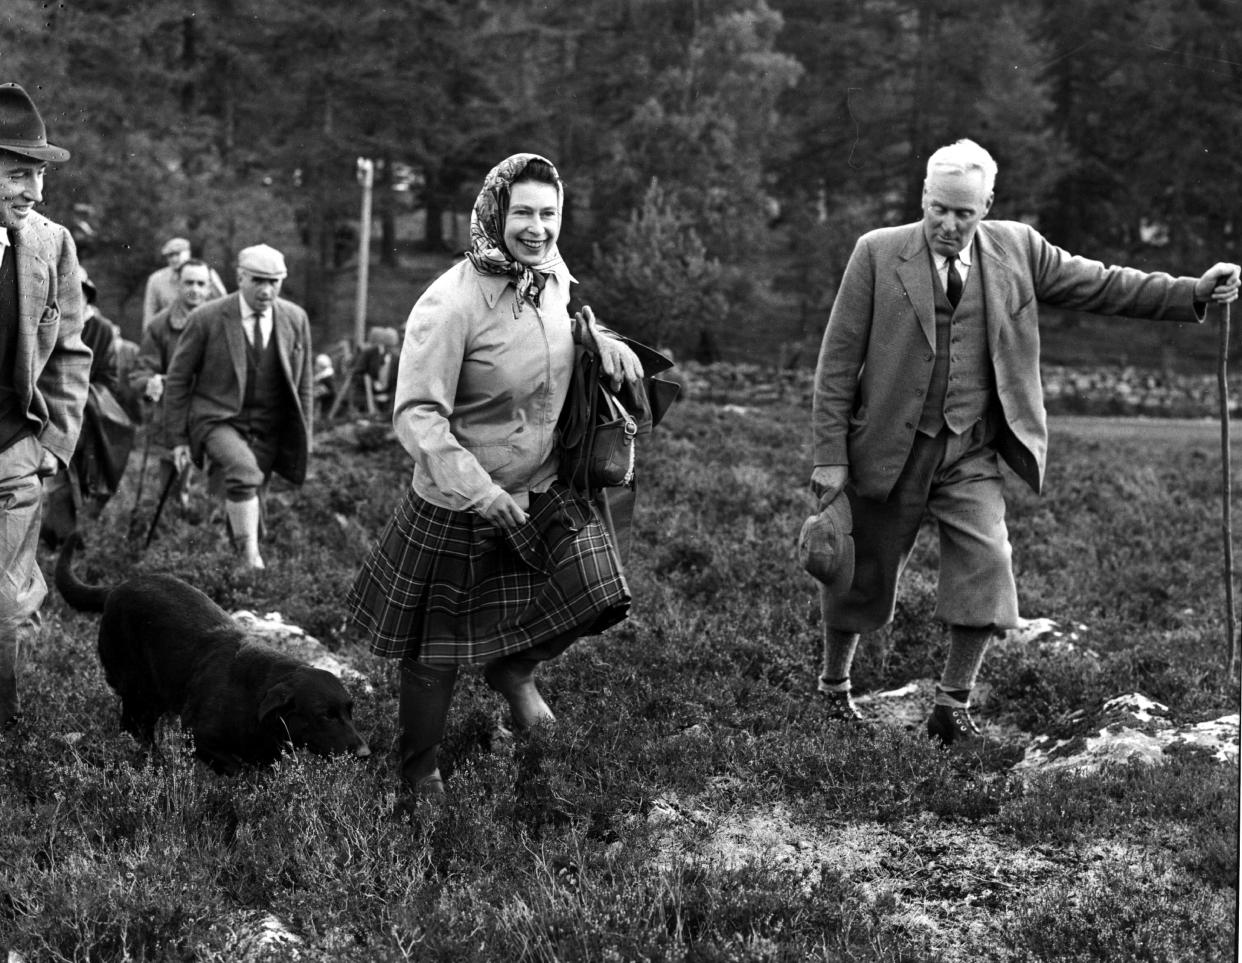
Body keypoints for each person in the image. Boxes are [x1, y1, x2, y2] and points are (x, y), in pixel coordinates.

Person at [810, 138, 1241, 745]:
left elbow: (1103, 284)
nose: (949, 224)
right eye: (938, 209)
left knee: (989, 565)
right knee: (860, 572)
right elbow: (835, 365)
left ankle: (951, 706)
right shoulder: (877, 254)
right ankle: (833, 690)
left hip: (971, 451)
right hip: (887, 448)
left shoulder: (1019, 249)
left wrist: (1191, 290)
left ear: (988, 205)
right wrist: (830, 458)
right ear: (923, 198)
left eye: (964, 212)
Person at [347, 153, 643, 806]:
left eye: (549, 214)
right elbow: (417, 415)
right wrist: (482, 491)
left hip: (543, 487)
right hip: (460, 501)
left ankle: (512, 670)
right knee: (435, 655)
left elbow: (563, 332)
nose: (537, 229)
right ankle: (419, 770)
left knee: (599, 593)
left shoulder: (556, 277)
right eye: (523, 214)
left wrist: (605, 339)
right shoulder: (450, 302)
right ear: (494, 214)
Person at [0, 82, 91, 729]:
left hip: (14, 448)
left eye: (36, 175)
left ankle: (5, 731)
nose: (32, 190)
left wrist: (52, 445)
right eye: (15, 174)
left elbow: (71, 353)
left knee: (6, 598)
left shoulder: (51, 244)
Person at [164, 243, 313, 570]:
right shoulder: (207, 317)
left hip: (269, 427)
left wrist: (305, 437)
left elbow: (304, 385)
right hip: (218, 420)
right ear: (240, 277)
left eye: (275, 281)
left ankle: (239, 582)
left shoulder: (295, 319)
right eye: (259, 280)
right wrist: (177, 439)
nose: (267, 289)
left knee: (251, 494)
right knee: (245, 474)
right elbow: (177, 380)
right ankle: (251, 563)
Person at [42, 271, 135, 542]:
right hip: (49, 409)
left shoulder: (101, 329)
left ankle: (73, 537)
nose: (70, 299)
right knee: (54, 478)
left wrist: (80, 396)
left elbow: (110, 379)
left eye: (77, 293)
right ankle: (59, 535)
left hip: (89, 410)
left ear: (87, 297)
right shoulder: (47, 323)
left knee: (88, 472)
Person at [130, 258, 218, 506]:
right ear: (178, 285)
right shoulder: (160, 325)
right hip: (174, 411)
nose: (195, 289)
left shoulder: (221, 322)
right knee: (173, 484)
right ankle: (175, 521)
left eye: (201, 284)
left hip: (213, 409)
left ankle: (212, 525)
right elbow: (141, 372)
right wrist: (152, 382)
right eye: (189, 282)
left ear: (210, 288)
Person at [141, 236, 225, 330]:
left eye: (177, 254)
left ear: (188, 253)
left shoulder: (205, 273)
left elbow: (223, 302)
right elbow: (150, 311)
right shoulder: (156, 279)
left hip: (202, 328)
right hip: (170, 331)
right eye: (170, 256)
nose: (174, 259)